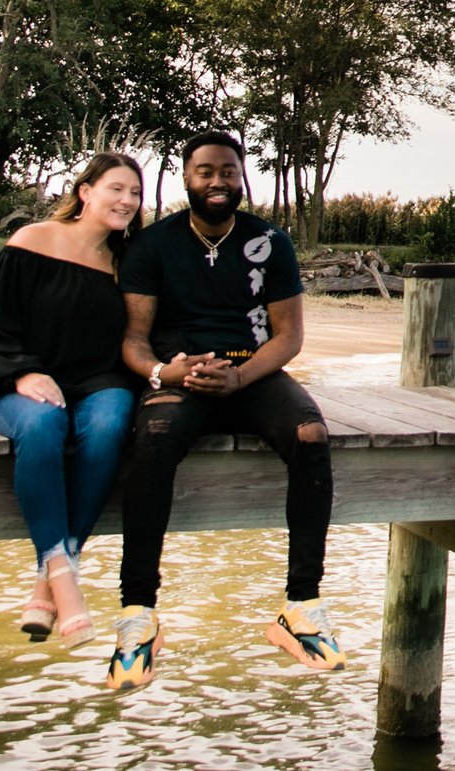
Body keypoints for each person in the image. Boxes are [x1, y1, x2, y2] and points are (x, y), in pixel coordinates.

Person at [106, 129, 340, 690]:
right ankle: (139, 614)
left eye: (228, 172)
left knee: (310, 435)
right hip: (181, 375)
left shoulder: (270, 242)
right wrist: (167, 373)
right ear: (186, 176)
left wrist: (240, 375)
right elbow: (133, 341)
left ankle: (300, 606)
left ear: (241, 177)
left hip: (252, 372)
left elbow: (288, 338)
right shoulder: (152, 246)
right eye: (205, 172)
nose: (217, 182)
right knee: (153, 438)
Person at [0, 151, 145, 650]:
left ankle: (48, 580)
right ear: (85, 192)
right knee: (43, 426)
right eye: (116, 189)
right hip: (19, 379)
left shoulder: (126, 264)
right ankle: (62, 577)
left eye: (135, 193)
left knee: (110, 422)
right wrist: (23, 373)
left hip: (97, 382)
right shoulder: (33, 241)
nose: (127, 200)